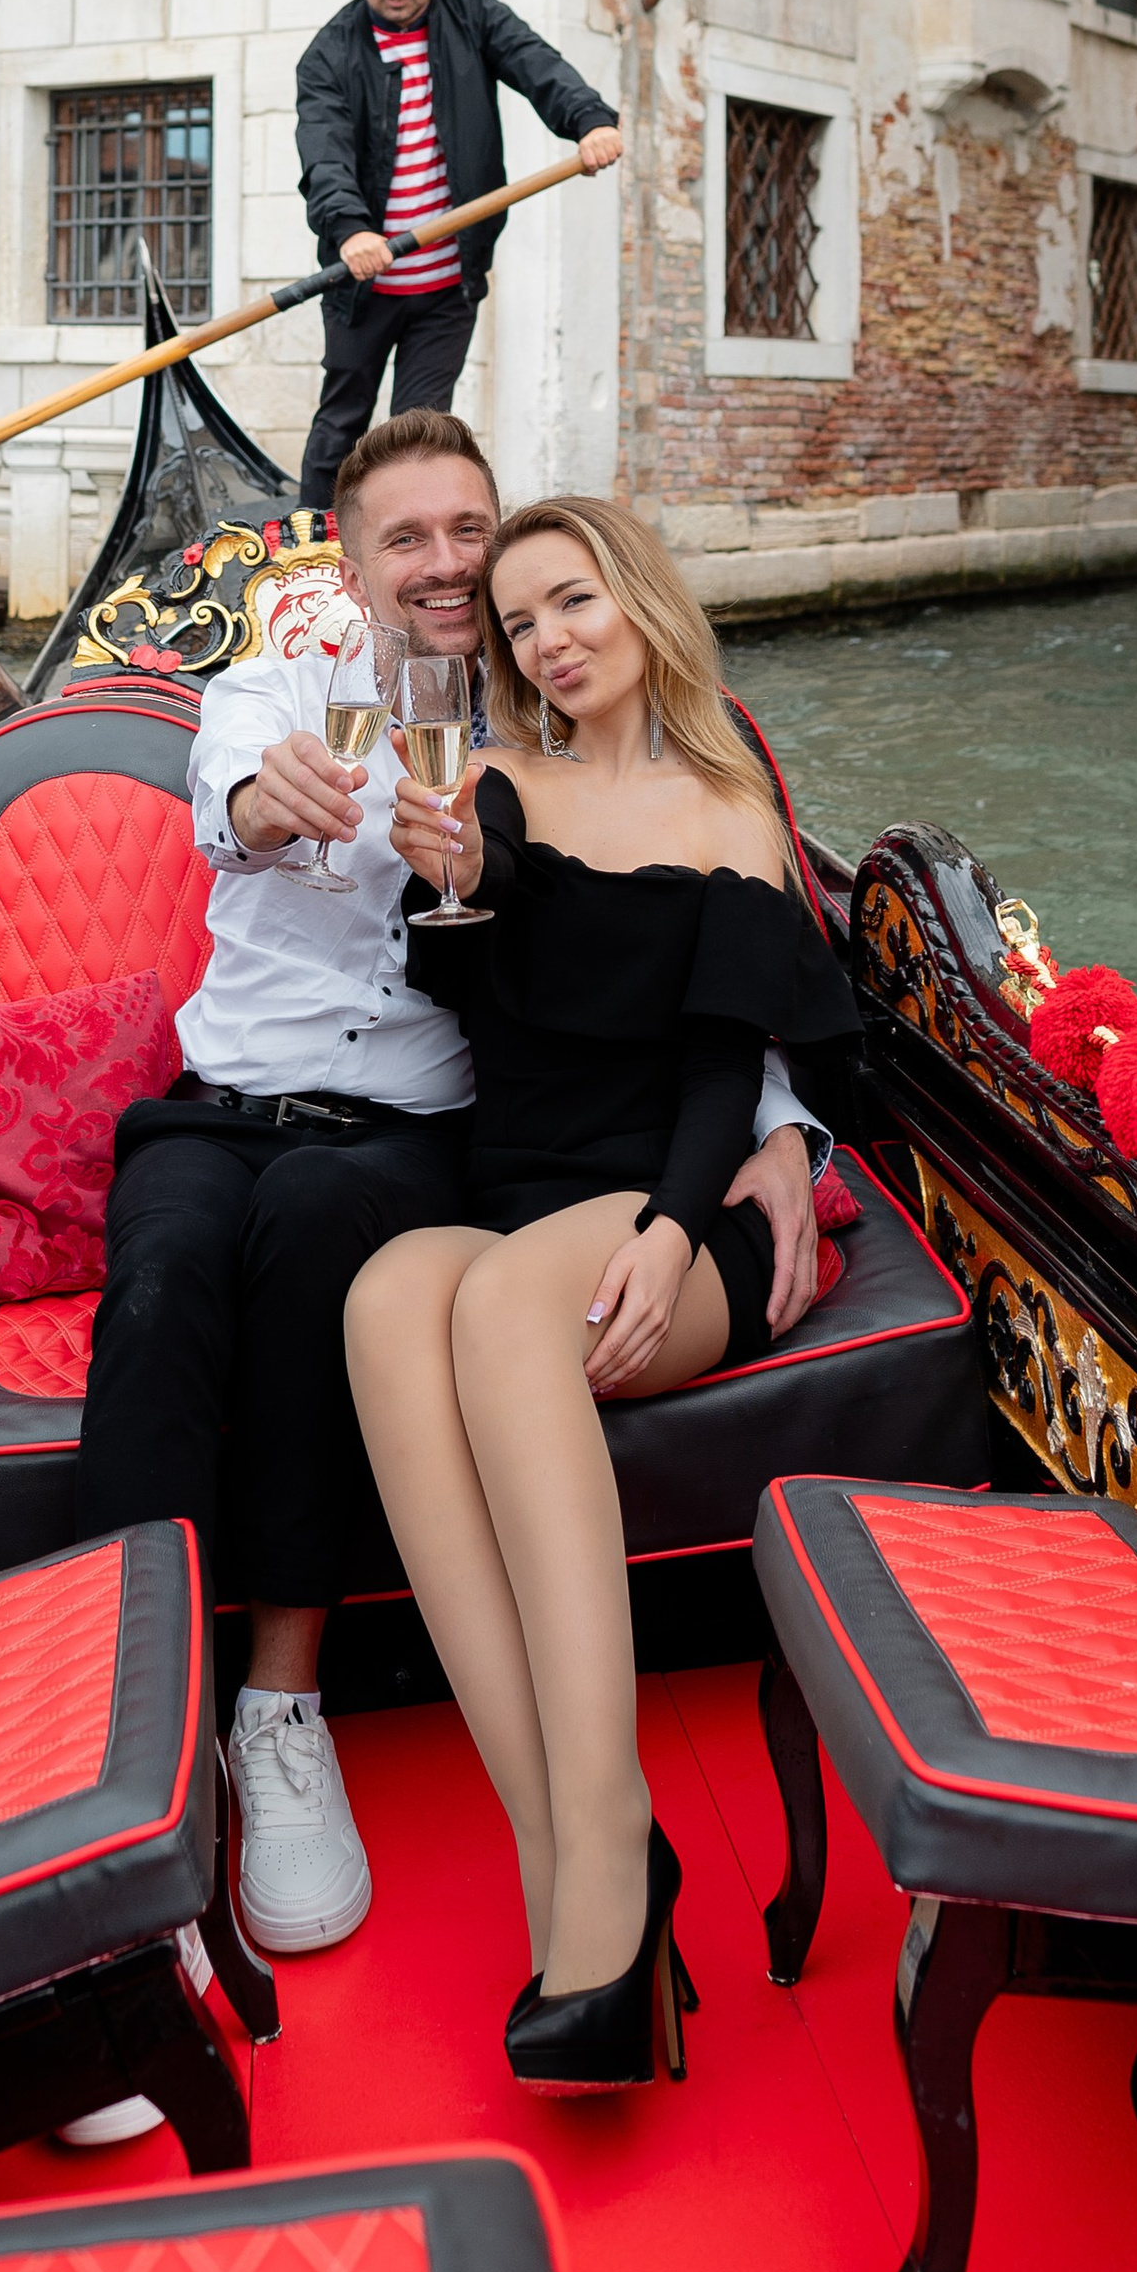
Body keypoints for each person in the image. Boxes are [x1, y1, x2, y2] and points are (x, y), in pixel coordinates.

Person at [69, 414, 829, 1968]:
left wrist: (791, 1133)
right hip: (222, 1106)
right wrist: (266, 801)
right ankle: (116, 1784)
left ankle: (283, 1711)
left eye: (470, 533)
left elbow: (693, 983)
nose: (450, 566)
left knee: (324, 1247)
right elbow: (233, 791)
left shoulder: (529, 740)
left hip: (419, 1132)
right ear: (344, 566)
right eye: (406, 537)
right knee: (156, 1290)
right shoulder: (281, 693)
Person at [346, 495, 856, 2093]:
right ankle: (581, 1839)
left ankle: (603, 1880)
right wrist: (454, 884)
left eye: (572, 600)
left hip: (662, 1222)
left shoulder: (729, 810)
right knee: (381, 1297)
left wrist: (672, 1219)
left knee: (500, 1309)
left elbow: (722, 1068)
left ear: (636, 602)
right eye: (520, 623)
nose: (548, 639)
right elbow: (467, 992)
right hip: (515, 1194)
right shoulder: (495, 788)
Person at [292, 0, 624, 509]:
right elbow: (324, 153)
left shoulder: (473, 15)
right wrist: (350, 230)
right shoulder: (329, 54)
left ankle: (406, 551)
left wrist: (589, 121)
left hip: (447, 286)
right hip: (363, 283)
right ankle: (311, 554)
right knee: (341, 425)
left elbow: (537, 65)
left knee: (418, 435)